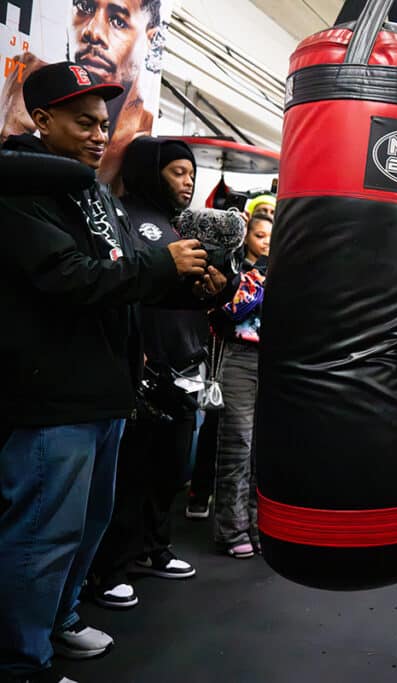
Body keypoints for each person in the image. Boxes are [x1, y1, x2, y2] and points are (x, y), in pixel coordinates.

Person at [0, 62, 219, 682]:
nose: (100, 134)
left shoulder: (90, 191)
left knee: (84, 530)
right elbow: (67, 278)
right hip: (52, 399)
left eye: (104, 123)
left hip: (104, 395)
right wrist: (159, 264)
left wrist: (194, 286)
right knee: (40, 540)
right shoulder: (20, 190)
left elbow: (126, 279)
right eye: (83, 122)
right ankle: (20, 663)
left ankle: (60, 622)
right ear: (41, 121)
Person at [89, 136, 234, 609]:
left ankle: (154, 548)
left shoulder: (177, 225)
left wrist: (219, 288)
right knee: (130, 474)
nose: (188, 181)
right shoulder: (124, 218)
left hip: (185, 363)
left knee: (170, 470)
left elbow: (192, 294)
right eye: (177, 172)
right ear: (152, 173)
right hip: (143, 367)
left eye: (191, 173)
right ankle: (110, 568)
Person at [213, 215, 271, 559]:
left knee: (263, 449)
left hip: (273, 361)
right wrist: (257, 280)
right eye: (259, 234)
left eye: (271, 236)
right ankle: (231, 529)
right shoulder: (233, 267)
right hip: (239, 357)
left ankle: (260, 524)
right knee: (238, 442)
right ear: (246, 237)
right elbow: (227, 311)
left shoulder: (281, 268)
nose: (266, 241)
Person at [69, 0, 163, 182]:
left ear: (149, 39)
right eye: (85, 8)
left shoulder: (145, 148)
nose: (93, 32)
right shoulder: (37, 101)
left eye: (118, 22)